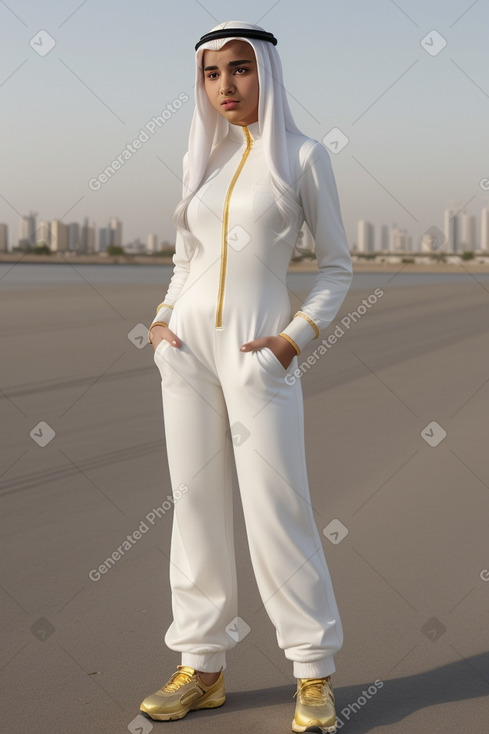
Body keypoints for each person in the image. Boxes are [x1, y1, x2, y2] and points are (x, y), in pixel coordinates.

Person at [140, 20, 353, 734]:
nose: (225, 87)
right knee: (194, 509)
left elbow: (336, 267)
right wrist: (163, 323)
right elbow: (182, 259)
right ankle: (201, 667)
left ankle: (314, 673)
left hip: (258, 355)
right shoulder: (200, 160)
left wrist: (292, 342)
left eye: (239, 70)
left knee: (276, 509)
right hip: (186, 356)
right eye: (211, 74)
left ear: (265, 72)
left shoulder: (302, 157)